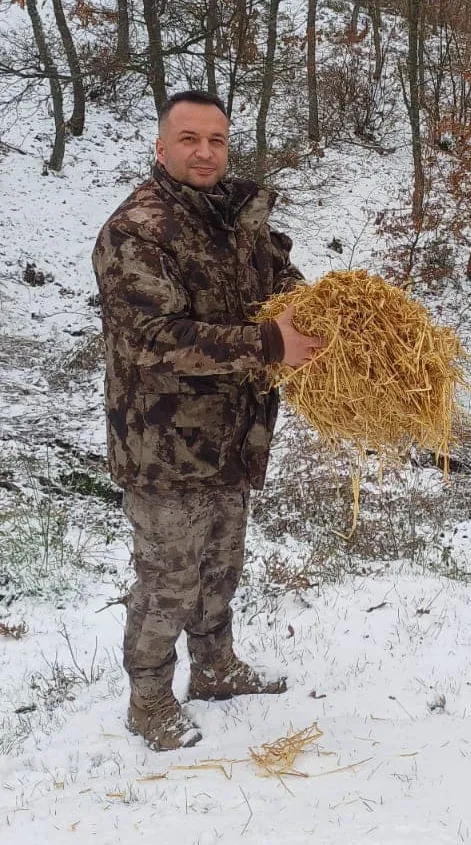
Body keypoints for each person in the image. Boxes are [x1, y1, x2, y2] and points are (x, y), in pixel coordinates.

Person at [92, 90, 322, 752]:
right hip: (163, 441)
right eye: (189, 139)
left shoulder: (234, 222)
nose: (204, 151)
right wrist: (267, 345)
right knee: (169, 578)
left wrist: (330, 314)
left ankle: (216, 668)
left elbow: (284, 287)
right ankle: (149, 699)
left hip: (230, 429)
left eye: (216, 140)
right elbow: (151, 339)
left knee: (221, 563)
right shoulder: (138, 229)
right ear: (161, 148)